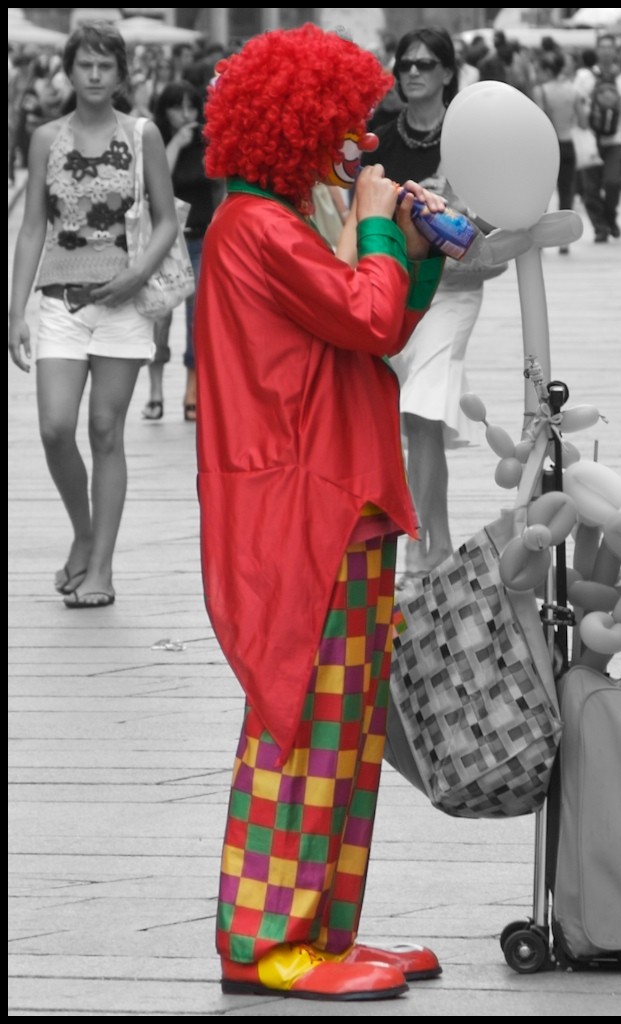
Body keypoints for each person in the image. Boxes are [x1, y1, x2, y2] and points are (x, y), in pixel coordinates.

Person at [196, 23, 446, 1001]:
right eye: (347, 125)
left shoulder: (283, 222)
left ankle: (321, 930)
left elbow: (375, 324)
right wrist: (380, 228)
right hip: (302, 507)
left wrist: (412, 250)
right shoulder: (255, 227)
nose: (364, 143)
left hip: (343, 498)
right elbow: (368, 315)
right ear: (297, 129)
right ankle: (264, 942)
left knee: (344, 734)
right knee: (297, 728)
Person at [7, 20, 179, 609]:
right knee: (55, 427)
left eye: (106, 65)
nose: (96, 75)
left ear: (122, 74)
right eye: (86, 64)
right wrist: (16, 311)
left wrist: (137, 272)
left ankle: (101, 566)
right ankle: (83, 533)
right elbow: (33, 226)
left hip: (125, 305)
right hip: (60, 301)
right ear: (70, 71)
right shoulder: (45, 138)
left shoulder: (142, 134)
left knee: (106, 431)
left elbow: (166, 219)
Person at [361, 26, 487, 581]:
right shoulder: (378, 140)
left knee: (422, 406)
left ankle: (419, 543)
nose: (413, 72)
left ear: (447, 72)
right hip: (395, 288)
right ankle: (436, 541)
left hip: (453, 292)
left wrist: (452, 212)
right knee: (417, 420)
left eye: (425, 63)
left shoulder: (468, 138)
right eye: (405, 63)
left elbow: (493, 223)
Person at [140, 80, 219, 422]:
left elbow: (218, 186)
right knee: (159, 316)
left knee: (197, 318)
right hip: (164, 243)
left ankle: (192, 389)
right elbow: (153, 183)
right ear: (165, 110)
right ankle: (155, 391)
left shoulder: (207, 142)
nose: (185, 114)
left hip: (200, 239)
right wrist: (175, 143)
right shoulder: (154, 139)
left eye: (191, 106)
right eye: (177, 107)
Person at [532, 47, 587, 250]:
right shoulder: (573, 91)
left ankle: (540, 237)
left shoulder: (541, 91)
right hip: (567, 143)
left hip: (548, 146)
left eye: (539, 71)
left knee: (542, 195)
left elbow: (538, 121)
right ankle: (564, 241)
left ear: (548, 71)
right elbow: (583, 122)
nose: (536, 75)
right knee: (566, 192)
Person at [578, 33, 621, 242]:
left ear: (615, 51)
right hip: (590, 139)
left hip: (615, 139)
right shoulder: (584, 77)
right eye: (603, 47)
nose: (606, 51)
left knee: (613, 182)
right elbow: (577, 103)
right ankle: (600, 227)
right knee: (590, 188)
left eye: (610, 47)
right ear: (597, 50)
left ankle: (610, 216)